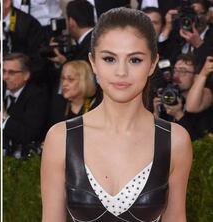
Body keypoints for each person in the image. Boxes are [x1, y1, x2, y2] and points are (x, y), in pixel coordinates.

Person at [41, 8, 192, 221]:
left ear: (152, 64)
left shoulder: (175, 140)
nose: (121, 72)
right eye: (110, 59)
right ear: (93, 62)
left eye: (135, 60)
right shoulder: (60, 138)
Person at [3, 53, 49, 157]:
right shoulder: (0, 91)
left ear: (26, 75)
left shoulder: (37, 96)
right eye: (3, 71)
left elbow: (29, 134)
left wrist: (4, 121)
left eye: (11, 72)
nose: (5, 77)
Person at [49, 60, 99, 126]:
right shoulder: (58, 105)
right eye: (63, 79)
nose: (64, 84)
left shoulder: (96, 107)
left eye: (70, 79)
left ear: (84, 82)